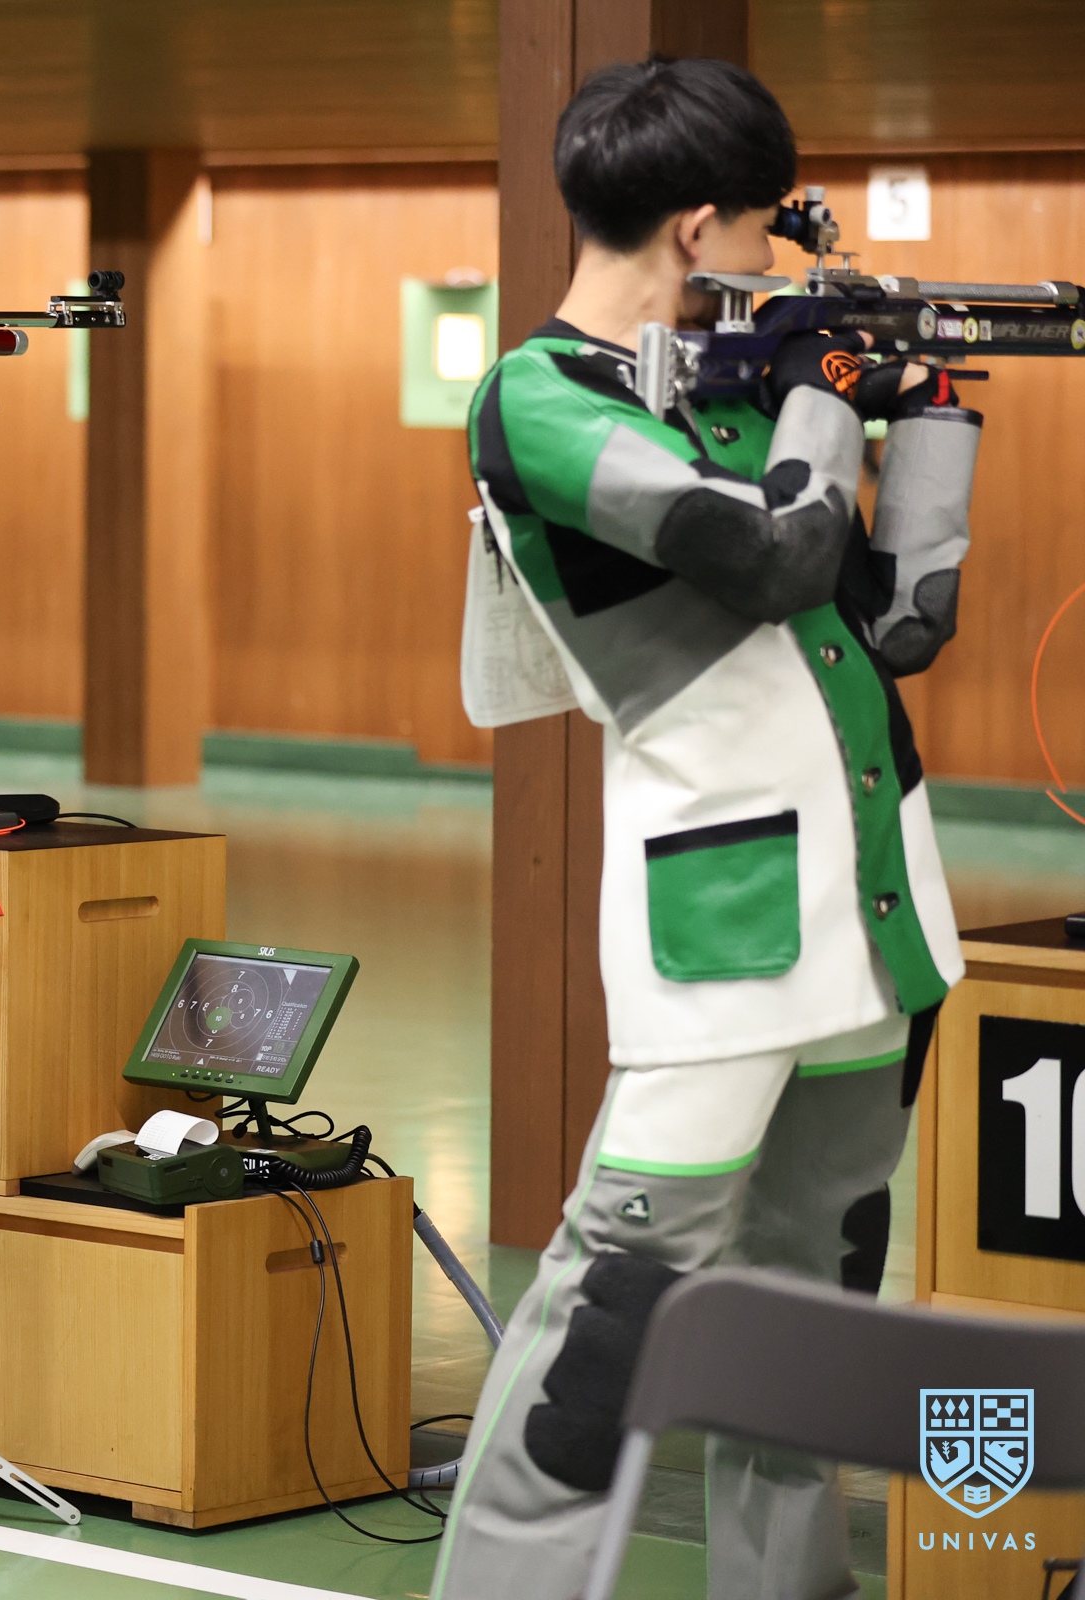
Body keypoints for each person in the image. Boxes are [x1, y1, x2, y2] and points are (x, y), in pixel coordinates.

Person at [436, 58, 976, 1600]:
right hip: (724, 936)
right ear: (695, 226)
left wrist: (928, 414)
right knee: (608, 1330)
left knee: (812, 1323)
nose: (765, 260)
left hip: (876, 919)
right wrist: (822, 391)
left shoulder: (737, 392)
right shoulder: (537, 398)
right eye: (758, 229)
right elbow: (771, 559)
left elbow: (904, 619)